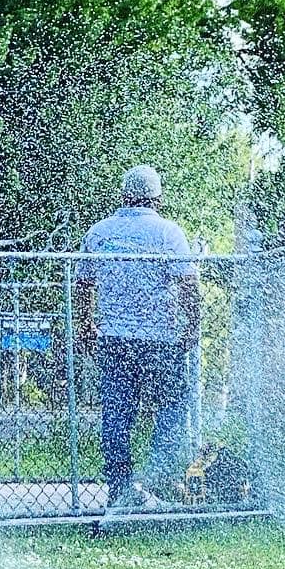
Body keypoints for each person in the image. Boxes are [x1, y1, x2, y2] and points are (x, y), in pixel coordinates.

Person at [74, 164, 201, 510]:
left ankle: (120, 487)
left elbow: (83, 283)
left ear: (123, 195)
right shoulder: (168, 233)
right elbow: (189, 283)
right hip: (160, 338)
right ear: (157, 198)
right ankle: (154, 477)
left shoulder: (99, 232)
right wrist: (191, 325)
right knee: (174, 404)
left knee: (116, 413)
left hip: (115, 338)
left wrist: (85, 325)